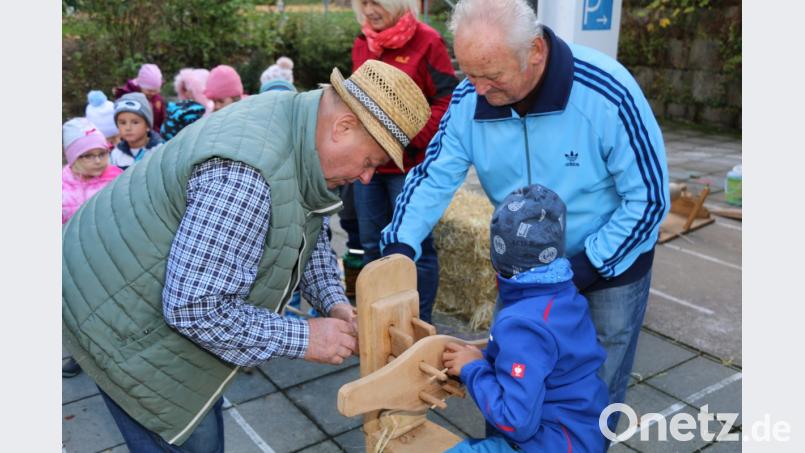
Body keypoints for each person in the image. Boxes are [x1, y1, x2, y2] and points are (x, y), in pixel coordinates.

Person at [62, 60, 431, 451]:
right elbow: (194, 308)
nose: (367, 177)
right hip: (115, 317)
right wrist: (305, 336)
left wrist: (334, 302)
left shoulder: (298, 122)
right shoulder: (248, 174)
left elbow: (310, 228)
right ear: (343, 128)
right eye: (370, 161)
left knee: (202, 406)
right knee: (188, 433)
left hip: (138, 281)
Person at [380, 0, 669, 434]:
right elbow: (432, 177)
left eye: (492, 76)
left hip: (607, 267)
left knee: (592, 396)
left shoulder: (607, 91)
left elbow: (647, 200)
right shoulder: (469, 98)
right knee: (511, 379)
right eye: (469, 73)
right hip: (525, 277)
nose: (477, 89)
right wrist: (401, 245)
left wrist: (583, 268)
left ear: (534, 51)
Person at [443, 184, 608, 452]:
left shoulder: (521, 324)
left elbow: (515, 421)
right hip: (583, 432)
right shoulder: (565, 294)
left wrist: (472, 369)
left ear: (497, 256)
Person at [350, 0, 458, 322]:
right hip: (368, 164)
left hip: (407, 167)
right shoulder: (362, 41)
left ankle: (417, 323)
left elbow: (448, 100)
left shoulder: (428, 41)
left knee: (414, 247)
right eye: (362, 3)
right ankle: (377, 322)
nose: (368, 10)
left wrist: (406, 137)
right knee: (371, 244)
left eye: (375, 2)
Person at [61, 117, 123, 377]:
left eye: (102, 153)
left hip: (109, 258)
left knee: (113, 308)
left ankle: (116, 351)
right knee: (79, 313)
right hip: (74, 262)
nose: (98, 160)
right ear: (73, 157)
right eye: (88, 155)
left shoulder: (117, 179)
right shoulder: (60, 184)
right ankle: (82, 353)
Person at [110, 92, 164, 170]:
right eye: (123, 123)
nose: (128, 128)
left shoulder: (160, 150)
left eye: (135, 122)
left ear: (148, 126)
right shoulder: (115, 154)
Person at [113, 63, 167, 132]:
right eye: (149, 90)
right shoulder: (129, 97)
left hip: (154, 133)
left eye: (155, 90)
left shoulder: (158, 100)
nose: (153, 93)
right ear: (140, 86)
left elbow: (161, 118)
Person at [162, 69, 212, 141]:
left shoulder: (176, 106)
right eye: (185, 89)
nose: (186, 93)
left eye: (189, 90)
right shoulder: (190, 110)